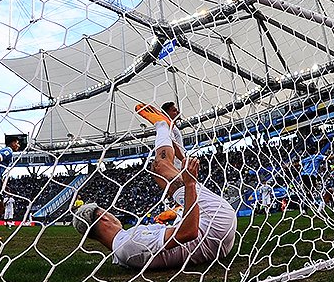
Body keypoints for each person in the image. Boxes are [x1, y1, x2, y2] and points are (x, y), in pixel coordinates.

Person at [72, 104, 236, 270]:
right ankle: (162, 125)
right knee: (160, 166)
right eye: (106, 211)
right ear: (103, 217)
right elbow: (189, 232)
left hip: (216, 240)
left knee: (158, 171)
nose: (111, 214)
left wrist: (177, 212)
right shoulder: (128, 246)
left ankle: (173, 136)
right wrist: (190, 184)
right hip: (215, 225)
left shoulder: (122, 249)